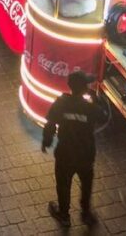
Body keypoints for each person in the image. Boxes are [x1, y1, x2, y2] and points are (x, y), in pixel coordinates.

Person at [40, 71, 107, 227]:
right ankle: (86, 213)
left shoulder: (61, 103)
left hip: (65, 153)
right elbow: (104, 116)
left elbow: (50, 124)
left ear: (70, 86)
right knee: (86, 184)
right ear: (85, 89)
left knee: (63, 184)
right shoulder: (90, 108)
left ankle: (64, 215)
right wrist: (96, 99)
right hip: (86, 153)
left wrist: (46, 142)